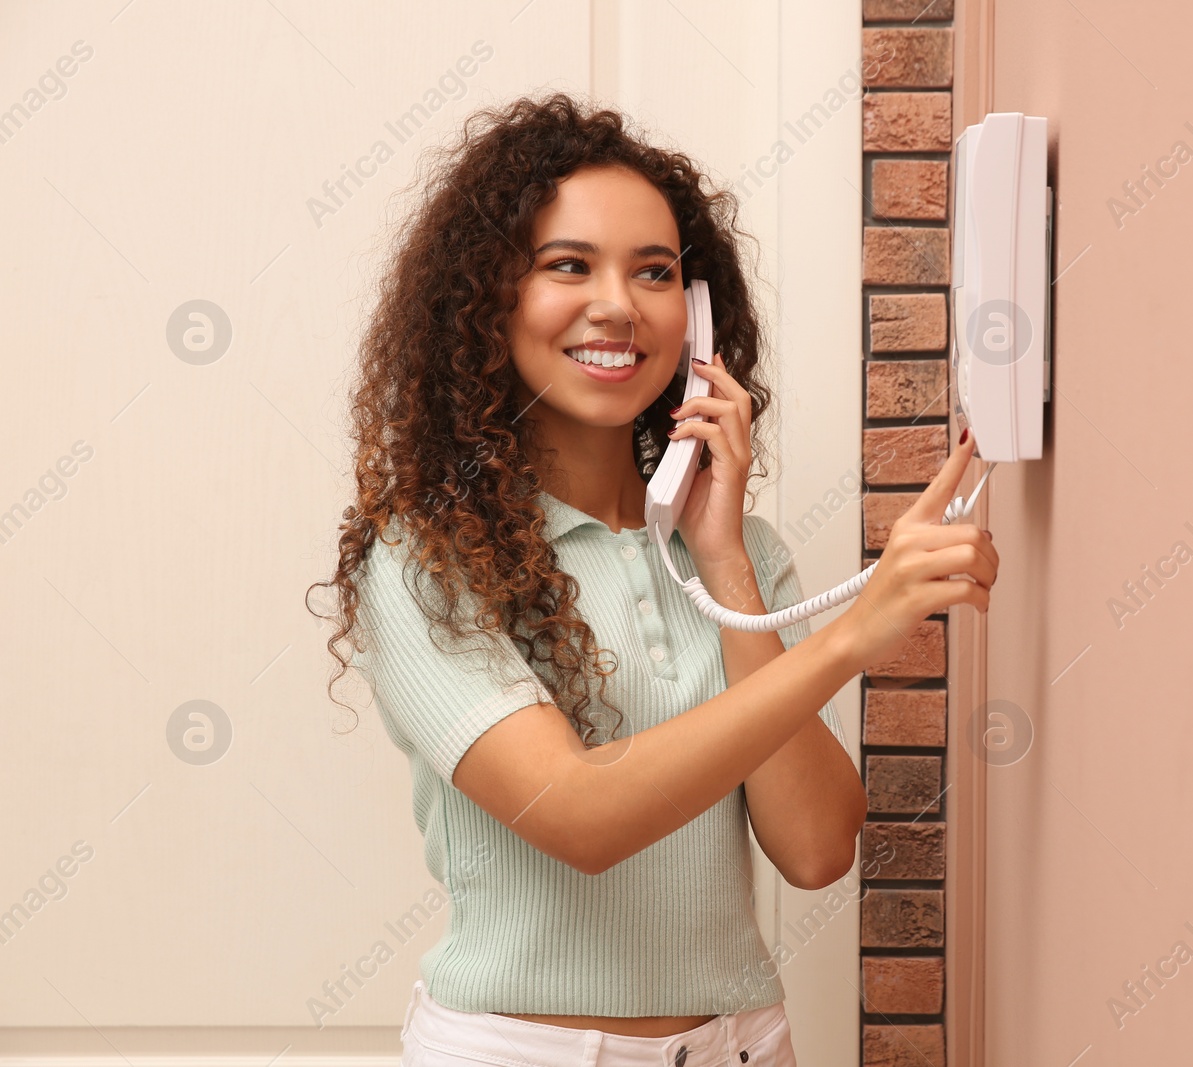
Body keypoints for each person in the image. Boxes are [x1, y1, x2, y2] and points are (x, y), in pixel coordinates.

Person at [308, 91, 997, 1067]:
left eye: (656, 272)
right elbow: (577, 816)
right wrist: (851, 637)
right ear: (487, 298)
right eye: (567, 265)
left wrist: (721, 561)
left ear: (698, 318)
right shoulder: (426, 558)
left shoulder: (741, 557)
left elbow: (813, 848)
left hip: (742, 1044)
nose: (618, 305)